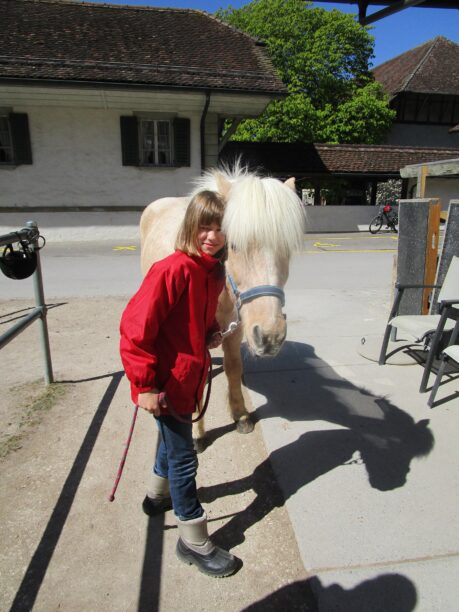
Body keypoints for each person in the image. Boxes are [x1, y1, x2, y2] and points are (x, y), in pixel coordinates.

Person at [119, 190, 238, 578]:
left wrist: (210, 333)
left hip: (189, 375)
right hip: (167, 382)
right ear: (191, 226)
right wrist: (146, 386)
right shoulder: (172, 269)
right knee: (185, 458)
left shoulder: (214, 272)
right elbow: (135, 331)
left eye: (219, 228)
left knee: (172, 443)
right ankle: (193, 539)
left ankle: (157, 497)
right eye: (205, 226)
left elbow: (196, 318)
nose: (212, 236)